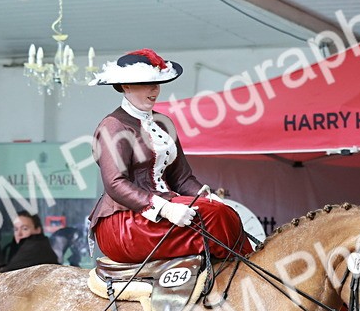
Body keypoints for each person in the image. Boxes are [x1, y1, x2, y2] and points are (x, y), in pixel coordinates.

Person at [88, 49, 251, 264]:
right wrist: (164, 208)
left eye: (157, 83)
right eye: (146, 83)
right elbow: (115, 183)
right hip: (123, 222)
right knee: (214, 216)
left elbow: (182, 178)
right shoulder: (113, 126)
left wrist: (208, 197)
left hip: (167, 209)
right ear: (125, 86)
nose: (155, 89)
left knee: (225, 212)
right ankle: (248, 269)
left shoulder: (163, 122)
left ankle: (244, 271)